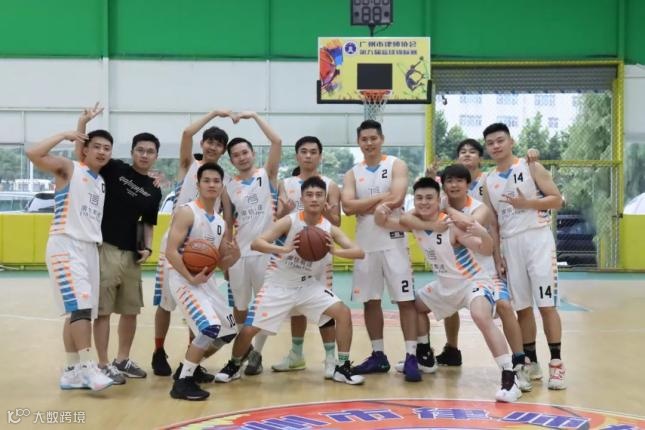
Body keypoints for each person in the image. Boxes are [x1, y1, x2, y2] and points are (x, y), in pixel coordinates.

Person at [375, 177, 522, 402]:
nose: (424, 202)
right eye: (420, 198)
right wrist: (380, 211)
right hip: (445, 286)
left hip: (472, 282)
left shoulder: (451, 225)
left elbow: (485, 249)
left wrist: (483, 234)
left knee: (480, 316)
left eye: (429, 198)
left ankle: (510, 376)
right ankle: (425, 356)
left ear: (439, 200)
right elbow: (385, 222)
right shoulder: (416, 224)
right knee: (413, 306)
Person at [215, 176, 365, 385]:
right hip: (279, 284)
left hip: (307, 285)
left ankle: (342, 367)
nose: (314, 199)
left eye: (319, 195)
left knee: (343, 313)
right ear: (302, 199)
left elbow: (359, 252)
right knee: (249, 329)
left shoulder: (329, 228)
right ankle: (234, 364)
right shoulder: (290, 221)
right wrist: (284, 248)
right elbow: (257, 243)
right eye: (309, 195)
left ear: (325, 200)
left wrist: (335, 251)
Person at [74, 106, 162, 384]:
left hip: (132, 254)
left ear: (156, 156)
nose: (144, 155)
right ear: (132, 152)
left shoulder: (154, 189)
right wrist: (82, 123)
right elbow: (83, 155)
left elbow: (148, 222)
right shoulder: (114, 168)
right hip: (107, 248)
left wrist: (148, 247)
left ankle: (122, 359)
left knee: (130, 311)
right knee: (103, 311)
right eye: (140, 150)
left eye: (150, 151)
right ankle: (102, 364)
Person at [27, 128, 114, 392]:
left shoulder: (100, 181)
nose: (102, 151)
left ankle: (72, 371)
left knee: (77, 310)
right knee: (81, 309)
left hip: (89, 248)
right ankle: (88, 368)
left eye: (107, 148)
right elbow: (33, 153)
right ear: (84, 149)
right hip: (66, 244)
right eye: (96, 146)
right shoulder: (70, 168)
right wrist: (64, 134)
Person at [482, 122, 566, 390]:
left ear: (511, 142)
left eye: (500, 140)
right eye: (490, 143)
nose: (496, 146)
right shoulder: (488, 181)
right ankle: (532, 363)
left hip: (537, 239)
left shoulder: (531, 167)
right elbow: (492, 224)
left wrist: (527, 203)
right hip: (510, 245)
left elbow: (557, 200)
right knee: (522, 308)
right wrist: (497, 257)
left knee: (546, 305)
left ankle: (556, 365)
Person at [435, 164, 532, 391]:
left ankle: (519, 363)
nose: (454, 185)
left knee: (504, 306)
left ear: (468, 184)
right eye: (449, 181)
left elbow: (470, 224)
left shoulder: (480, 208)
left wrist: (446, 209)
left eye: (459, 180)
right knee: (420, 304)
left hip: (484, 274)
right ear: (444, 185)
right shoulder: (437, 206)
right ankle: (422, 353)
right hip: (455, 276)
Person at [151, 109, 231, 381]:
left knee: (199, 306)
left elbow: (226, 214)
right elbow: (186, 133)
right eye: (210, 141)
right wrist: (214, 113)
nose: (213, 147)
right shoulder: (189, 165)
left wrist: (228, 243)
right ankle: (158, 351)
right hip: (176, 242)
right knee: (166, 304)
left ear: (223, 150)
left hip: (204, 245)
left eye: (218, 144)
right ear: (203, 143)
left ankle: (190, 361)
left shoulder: (222, 180)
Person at [341, 119, 420, 382]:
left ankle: (411, 356)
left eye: (373, 138)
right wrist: (378, 199)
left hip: (394, 242)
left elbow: (397, 198)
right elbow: (347, 207)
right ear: (358, 142)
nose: (369, 143)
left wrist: (362, 204)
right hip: (366, 245)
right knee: (370, 301)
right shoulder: (352, 173)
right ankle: (378, 355)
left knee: (405, 300)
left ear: (381, 139)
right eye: (364, 139)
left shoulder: (396, 164)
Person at [166, 163, 241, 400]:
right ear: (197, 184)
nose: (211, 185)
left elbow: (220, 263)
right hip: (184, 280)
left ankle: (188, 366)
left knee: (228, 331)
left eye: (216, 181)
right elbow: (170, 251)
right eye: (206, 180)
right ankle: (183, 383)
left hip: (207, 283)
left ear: (222, 186)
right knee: (209, 327)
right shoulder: (187, 212)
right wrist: (190, 277)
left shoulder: (219, 222)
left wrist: (235, 256)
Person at [271, 136, 340, 377]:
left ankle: (330, 358)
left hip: (320, 255)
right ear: (297, 155)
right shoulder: (285, 183)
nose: (308, 156)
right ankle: (296, 355)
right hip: (293, 255)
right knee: (296, 306)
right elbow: (278, 220)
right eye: (304, 151)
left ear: (320, 156)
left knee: (326, 307)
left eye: (313, 152)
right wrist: (284, 212)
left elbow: (337, 222)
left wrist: (328, 214)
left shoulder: (330, 185)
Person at [222, 111, 283, 376]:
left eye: (245, 152)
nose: (242, 157)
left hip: (264, 253)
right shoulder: (228, 186)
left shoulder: (266, 174)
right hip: (239, 254)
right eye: (236, 155)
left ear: (252, 153)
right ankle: (243, 349)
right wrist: (226, 259)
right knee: (240, 306)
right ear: (231, 160)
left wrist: (255, 116)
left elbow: (277, 141)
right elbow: (227, 224)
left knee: (264, 305)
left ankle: (257, 353)